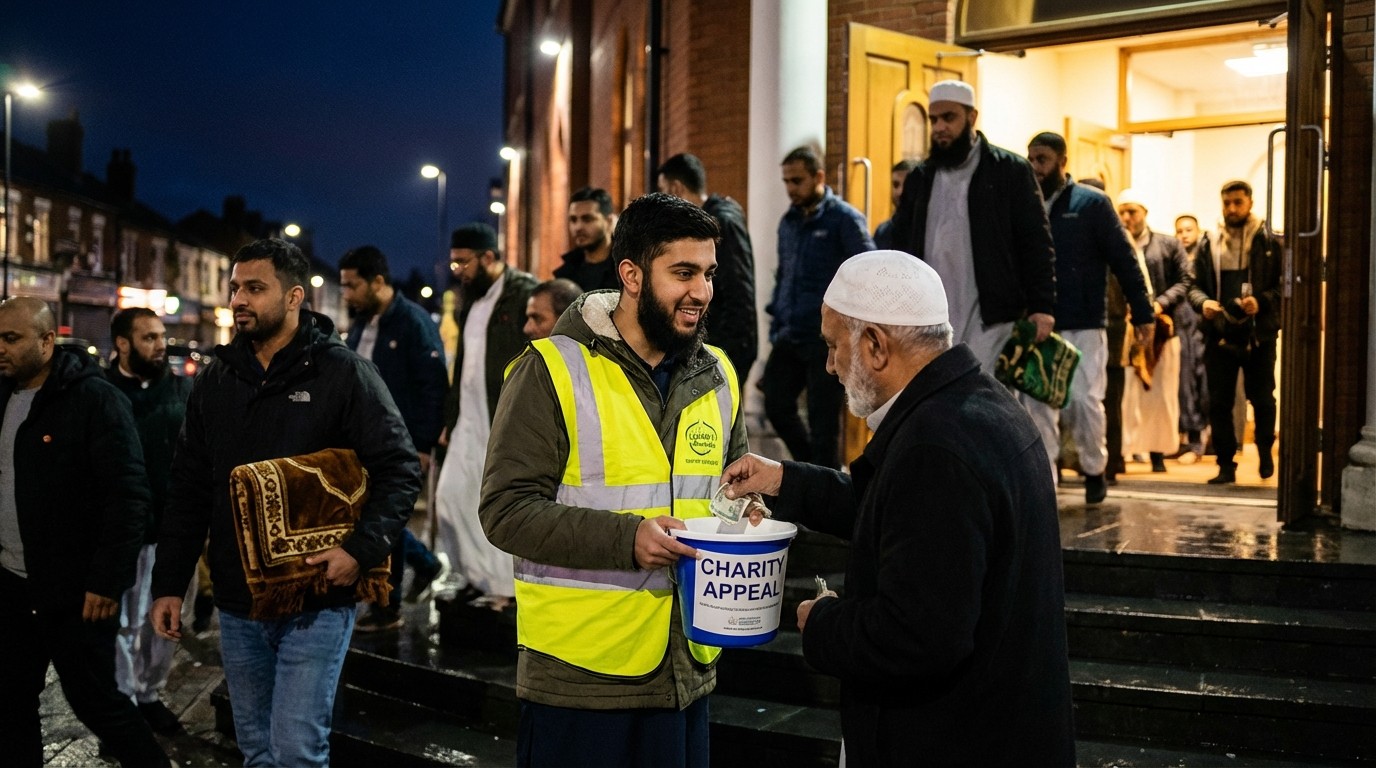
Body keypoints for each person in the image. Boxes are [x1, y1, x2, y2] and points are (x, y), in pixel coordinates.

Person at [721, 251, 1075, 766]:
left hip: (955, 740)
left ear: (874, 346)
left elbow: (918, 637)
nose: (829, 366)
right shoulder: (978, 405)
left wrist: (823, 623)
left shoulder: (935, 447)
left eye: (833, 346)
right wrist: (783, 480)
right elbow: (900, 514)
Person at [479, 192, 747, 767]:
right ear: (630, 274)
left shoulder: (719, 373)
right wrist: (628, 539)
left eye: (708, 273)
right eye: (683, 273)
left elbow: (728, 497)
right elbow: (506, 511)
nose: (701, 291)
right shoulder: (550, 368)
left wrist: (746, 517)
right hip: (579, 681)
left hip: (685, 671)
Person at [149, 238, 420, 767]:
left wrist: (359, 551)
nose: (239, 299)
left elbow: (398, 468)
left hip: (317, 595)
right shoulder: (216, 379)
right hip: (237, 598)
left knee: (296, 750)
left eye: (255, 288)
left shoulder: (343, 373)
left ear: (294, 296)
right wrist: (168, 585)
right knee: (257, 751)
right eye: (235, 288)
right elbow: (187, 488)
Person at [0, 297, 171, 768]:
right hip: (13, 582)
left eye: (11, 339)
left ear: (47, 340)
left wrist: (106, 580)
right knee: (11, 697)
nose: (1, 349)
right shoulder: (4, 396)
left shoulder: (93, 399)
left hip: (75, 589)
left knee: (98, 702)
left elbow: (128, 495)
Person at [890, 80, 1057, 372]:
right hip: (929, 314)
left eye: (949, 118)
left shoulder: (1010, 171)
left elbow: (1036, 242)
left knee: (982, 396)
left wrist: (1042, 306)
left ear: (972, 117)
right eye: (934, 119)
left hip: (990, 314)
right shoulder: (921, 178)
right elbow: (901, 244)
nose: (939, 127)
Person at [1025, 134, 1154, 501]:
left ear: (1062, 161)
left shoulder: (1092, 203)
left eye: (1043, 159)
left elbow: (1123, 259)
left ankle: (1094, 468)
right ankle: (1043, 484)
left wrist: (1142, 313)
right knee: (1037, 405)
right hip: (1039, 321)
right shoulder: (1026, 201)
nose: (1036, 167)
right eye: (1031, 159)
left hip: (1084, 320)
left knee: (1083, 400)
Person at [339, 245, 451, 629]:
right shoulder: (361, 324)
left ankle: (388, 607)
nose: (346, 295)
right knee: (381, 518)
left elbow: (432, 385)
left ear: (379, 283)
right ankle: (426, 564)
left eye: (352, 286)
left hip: (398, 442)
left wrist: (422, 445)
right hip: (362, 441)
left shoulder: (412, 323)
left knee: (385, 517)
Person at [434, 224, 537, 609]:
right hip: (468, 419)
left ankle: (505, 589)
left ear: (489, 258)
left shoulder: (523, 293)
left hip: (502, 417)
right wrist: (451, 416)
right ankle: (473, 576)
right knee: (450, 499)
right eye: (454, 261)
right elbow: (463, 362)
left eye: (464, 261)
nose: (457, 269)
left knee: (498, 502)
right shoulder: (471, 299)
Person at [106, 307, 195, 735]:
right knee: (124, 623)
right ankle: (125, 702)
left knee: (168, 621)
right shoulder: (101, 393)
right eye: (149, 338)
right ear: (122, 344)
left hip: (172, 530)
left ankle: (150, 694)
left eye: (162, 337)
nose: (161, 345)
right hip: (122, 532)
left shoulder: (183, 390)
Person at [764, 145, 875, 468]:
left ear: (819, 177)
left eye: (797, 181)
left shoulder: (844, 220)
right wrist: (775, 324)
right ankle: (810, 469)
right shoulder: (788, 221)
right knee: (776, 404)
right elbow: (783, 275)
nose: (790, 189)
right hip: (789, 333)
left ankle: (825, 492)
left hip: (826, 338)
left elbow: (867, 271)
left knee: (824, 423)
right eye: (786, 181)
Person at [1186, 180, 1283, 484]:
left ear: (1250, 203)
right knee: (1218, 401)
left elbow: (1287, 285)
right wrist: (1204, 304)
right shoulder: (1209, 241)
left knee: (1263, 399)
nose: (1231, 209)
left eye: (1238, 202)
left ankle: (1266, 452)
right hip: (1219, 333)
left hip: (1259, 335)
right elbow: (1193, 286)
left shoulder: (1268, 241)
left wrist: (1263, 301)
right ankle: (1226, 464)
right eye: (1227, 202)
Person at [657, 152, 759, 379]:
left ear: (675, 188)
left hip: (724, 350)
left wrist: (725, 353)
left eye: (663, 191)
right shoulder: (712, 220)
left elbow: (738, 292)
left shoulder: (722, 222)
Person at [1117, 190, 1192, 474]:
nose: (1127, 218)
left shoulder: (1168, 244)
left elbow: (1185, 280)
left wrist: (1160, 305)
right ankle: (1124, 452)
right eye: (1122, 212)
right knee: (1128, 396)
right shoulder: (1115, 244)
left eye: (1132, 211)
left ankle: (1158, 453)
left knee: (1161, 394)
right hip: (1127, 332)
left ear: (1144, 213)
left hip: (1162, 330)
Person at [1173, 214, 1209, 462]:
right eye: (1180, 231)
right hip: (1181, 326)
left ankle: (1200, 439)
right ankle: (1188, 438)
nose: (1184, 234)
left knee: (1202, 383)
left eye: (1188, 229)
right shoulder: (1176, 259)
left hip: (1203, 327)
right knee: (1184, 384)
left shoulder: (1205, 257)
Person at [554, 187, 620, 291]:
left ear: (609, 221)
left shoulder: (625, 268)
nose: (578, 227)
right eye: (573, 220)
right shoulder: (567, 272)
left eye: (587, 219)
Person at [872, 158, 918, 249]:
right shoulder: (883, 231)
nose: (899, 192)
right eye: (896, 185)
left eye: (907, 185)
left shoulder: (929, 230)